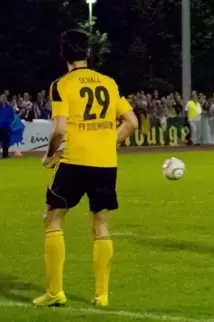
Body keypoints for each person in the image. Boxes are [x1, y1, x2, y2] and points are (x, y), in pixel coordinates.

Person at [33, 29, 138, 307]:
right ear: (88, 53)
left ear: (63, 54)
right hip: (105, 163)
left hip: (75, 161)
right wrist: (108, 141)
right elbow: (131, 122)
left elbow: (59, 130)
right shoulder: (109, 82)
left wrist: (49, 155)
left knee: (53, 218)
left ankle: (55, 292)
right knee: (100, 223)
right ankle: (102, 295)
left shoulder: (61, 85)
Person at [0, 94, 15, 159]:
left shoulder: (9, 107)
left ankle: (5, 155)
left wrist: (9, 123)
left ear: (6, 99)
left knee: (5, 142)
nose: (3, 99)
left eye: (4, 98)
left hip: (6, 127)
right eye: (2, 98)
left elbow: (12, 117)